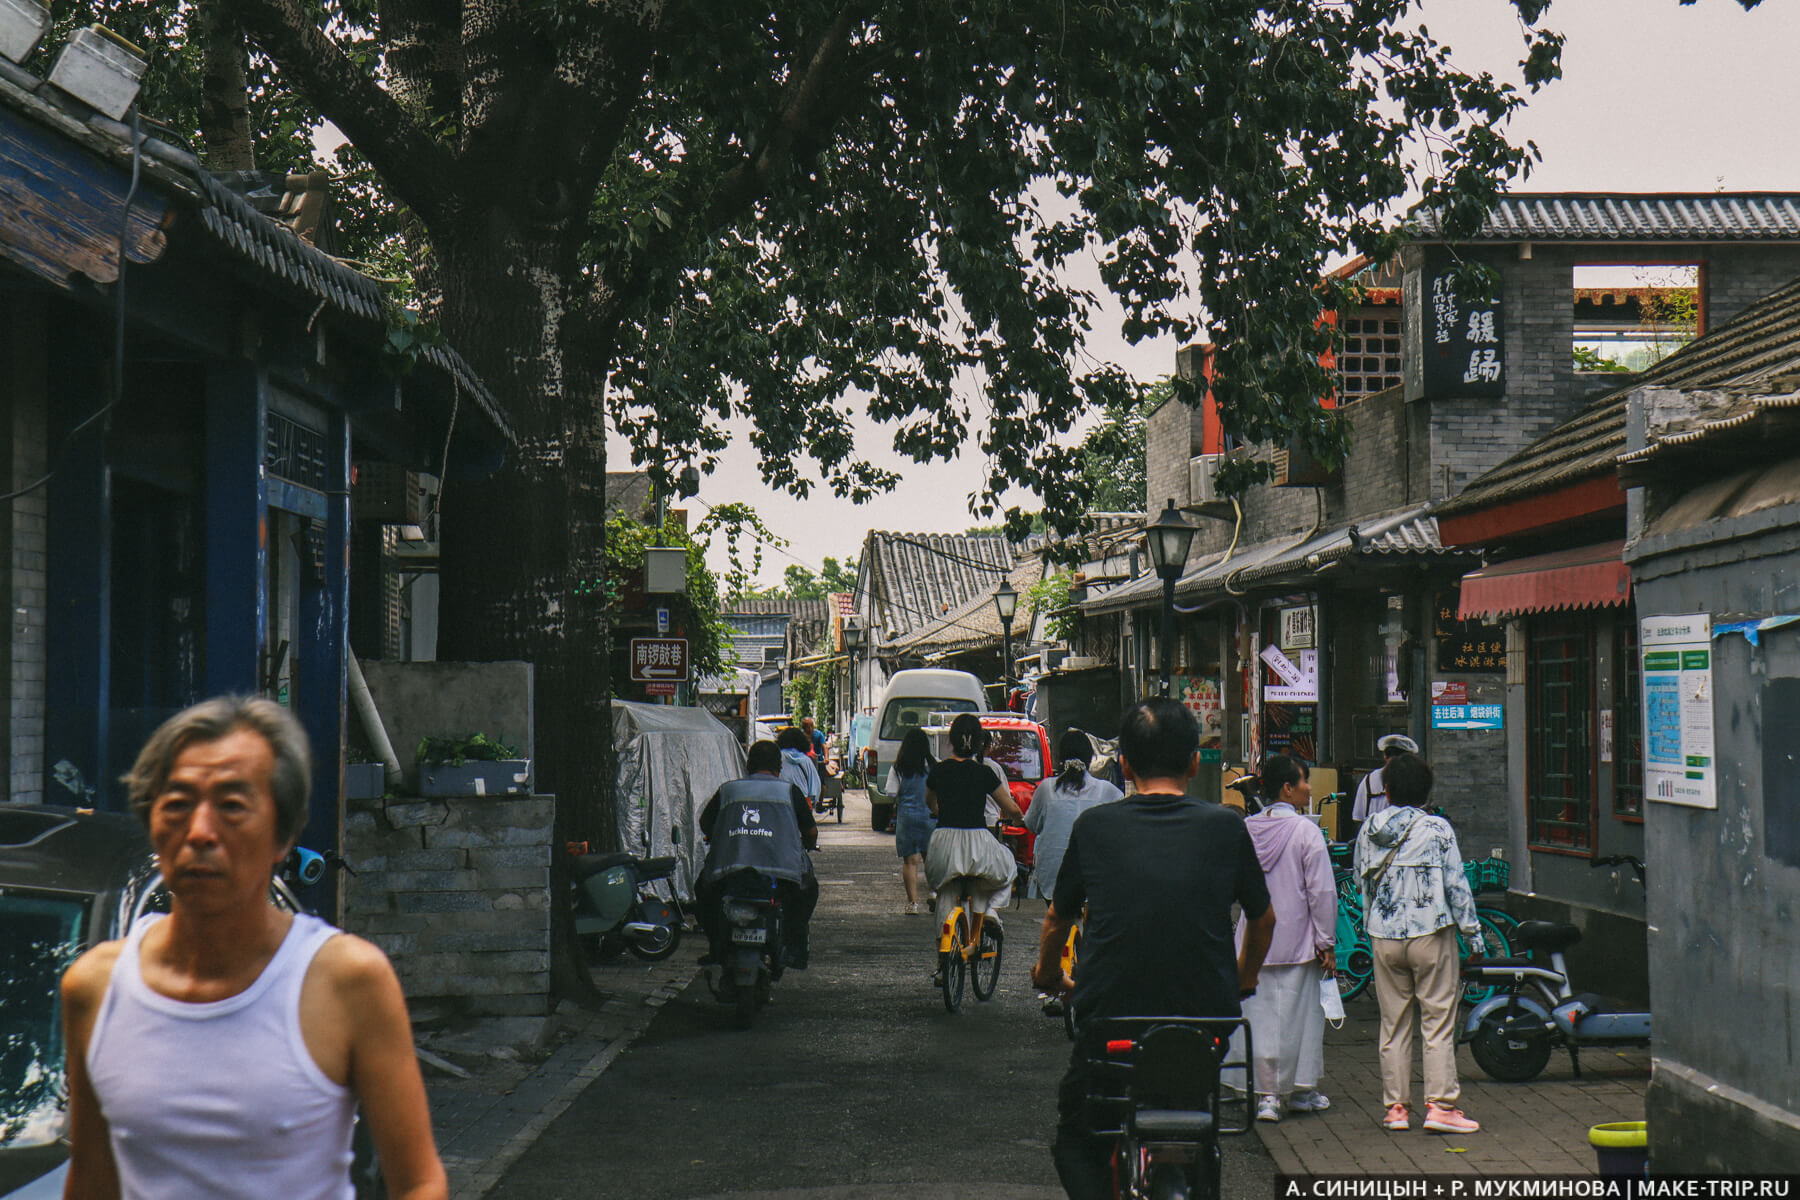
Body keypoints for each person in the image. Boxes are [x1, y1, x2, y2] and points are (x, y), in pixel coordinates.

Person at [60, 695, 447, 1200]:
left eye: (232, 807)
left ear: (282, 836)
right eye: (176, 804)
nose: (200, 832)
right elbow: (91, 1181)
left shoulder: (346, 981)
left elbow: (419, 1182)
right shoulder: (96, 986)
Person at [1032, 698, 1275, 1200]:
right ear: (1193, 762)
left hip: (1111, 1021)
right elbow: (1262, 917)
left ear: (1124, 763)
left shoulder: (1095, 827)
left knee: (1079, 1138)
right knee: (1201, 1120)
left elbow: (1059, 918)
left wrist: (1050, 975)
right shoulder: (1225, 825)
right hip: (1204, 1019)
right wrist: (1242, 978)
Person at [1354, 750, 1483, 1135]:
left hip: (1384, 936)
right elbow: (1457, 886)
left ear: (1388, 790)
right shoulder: (1438, 830)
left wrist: (1370, 926)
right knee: (1438, 1021)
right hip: (1431, 933)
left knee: (1392, 1024)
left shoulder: (1369, 830)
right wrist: (1473, 934)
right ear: (1426, 792)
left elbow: (1363, 883)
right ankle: (1440, 1106)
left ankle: (1396, 1108)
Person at [1240, 754, 1336, 1124]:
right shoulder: (1305, 831)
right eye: (1304, 780)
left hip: (1253, 939)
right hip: (1298, 939)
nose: (1309, 787)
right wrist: (1325, 941)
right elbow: (1322, 892)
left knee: (1261, 1018)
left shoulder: (1247, 829)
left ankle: (1266, 1095)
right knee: (1302, 1018)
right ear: (1287, 788)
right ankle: (1298, 1090)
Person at [698, 740, 820, 969]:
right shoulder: (789, 792)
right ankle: (794, 949)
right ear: (779, 767)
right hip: (782, 877)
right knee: (807, 893)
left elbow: (706, 823)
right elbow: (811, 831)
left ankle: (716, 946)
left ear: (748, 765)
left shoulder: (728, 790)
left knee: (703, 892)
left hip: (729, 874)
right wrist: (809, 844)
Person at [925, 714, 1022, 976]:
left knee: (946, 893)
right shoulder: (984, 772)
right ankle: (989, 913)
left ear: (951, 742)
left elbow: (930, 802)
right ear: (979, 743)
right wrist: (1020, 818)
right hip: (977, 843)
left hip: (944, 844)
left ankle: (941, 964)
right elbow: (1010, 807)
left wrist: (938, 809)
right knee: (1004, 869)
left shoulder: (939, 770)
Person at [884, 728, 936, 915]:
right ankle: (934, 892)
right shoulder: (932, 765)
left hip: (907, 816)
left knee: (910, 861)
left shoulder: (898, 767)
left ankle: (912, 903)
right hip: (930, 815)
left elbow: (891, 792)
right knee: (930, 858)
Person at [1350, 733, 1419, 824]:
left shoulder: (1368, 780)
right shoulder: (1413, 779)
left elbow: (1358, 817)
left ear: (1385, 756)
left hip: (1372, 835)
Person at [776, 726, 822, 811]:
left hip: (782, 805)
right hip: (803, 805)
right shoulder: (806, 761)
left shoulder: (777, 758)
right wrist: (811, 803)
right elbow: (815, 787)